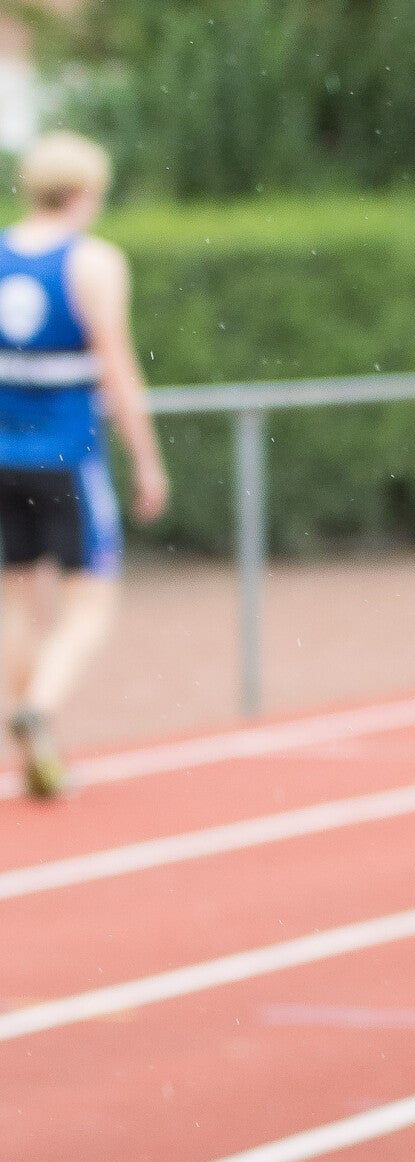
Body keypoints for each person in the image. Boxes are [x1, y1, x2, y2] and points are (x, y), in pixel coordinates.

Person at [0, 130, 167, 797]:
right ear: (84, 193)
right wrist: (147, 459)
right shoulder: (93, 262)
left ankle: (31, 746)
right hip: (68, 457)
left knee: (16, 596)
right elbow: (118, 369)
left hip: (3, 456)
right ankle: (37, 708)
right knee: (90, 601)